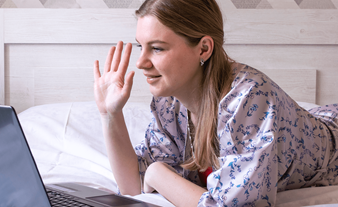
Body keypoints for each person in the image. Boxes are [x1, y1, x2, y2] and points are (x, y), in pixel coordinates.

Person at [93, 0, 338, 206]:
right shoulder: (169, 101)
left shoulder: (249, 98)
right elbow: (133, 184)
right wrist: (110, 114)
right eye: (140, 46)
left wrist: (158, 173)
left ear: (203, 49)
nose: (141, 62)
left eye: (157, 48)